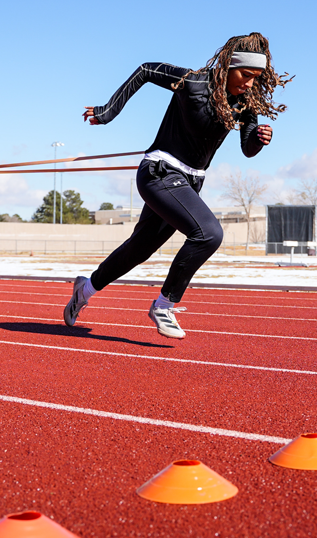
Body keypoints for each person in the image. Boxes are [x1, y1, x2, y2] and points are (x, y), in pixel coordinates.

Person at [63, 32, 289, 339]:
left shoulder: (244, 104)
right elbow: (145, 70)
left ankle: (84, 289)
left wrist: (260, 139)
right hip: (159, 172)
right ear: (228, 65)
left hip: (188, 183)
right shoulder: (192, 82)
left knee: (139, 249)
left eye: (255, 78)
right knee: (209, 234)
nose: (249, 83)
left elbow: (247, 148)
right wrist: (107, 112)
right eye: (245, 75)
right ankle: (164, 305)